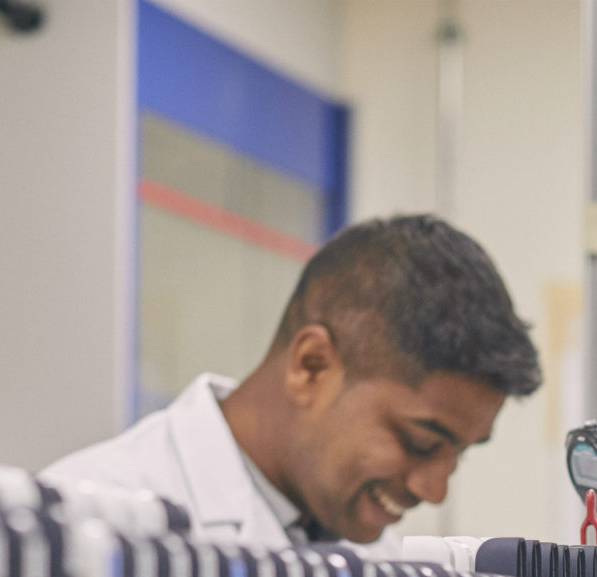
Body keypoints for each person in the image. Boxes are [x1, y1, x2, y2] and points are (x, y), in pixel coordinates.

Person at [43, 214, 541, 547]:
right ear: (313, 366)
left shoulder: (367, 545)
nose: (435, 490)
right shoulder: (84, 523)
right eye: (421, 442)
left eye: (462, 454)